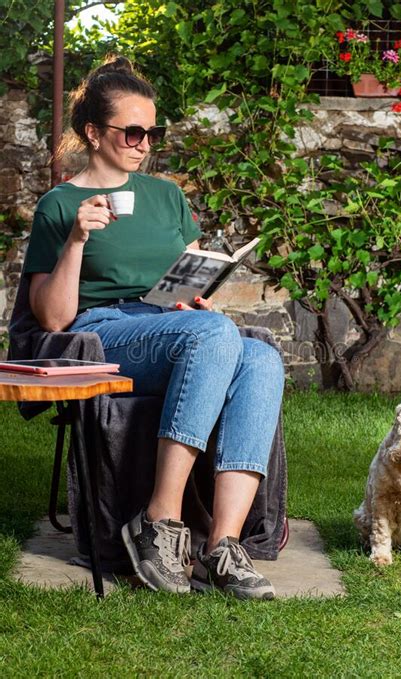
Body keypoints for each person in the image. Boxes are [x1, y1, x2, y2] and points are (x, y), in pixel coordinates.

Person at [24, 55, 285, 600]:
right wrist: (76, 239)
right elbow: (52, 317)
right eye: (133, 131)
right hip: (102, 329)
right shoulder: (60, 204)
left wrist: (198, 301)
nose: (145, 143)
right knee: (218, 339)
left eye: (152, 132)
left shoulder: (167, 195)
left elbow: (186, 277)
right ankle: (159, 522)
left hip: (168, 325)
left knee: (261, 356)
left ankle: (222, 546)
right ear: (93, 133)